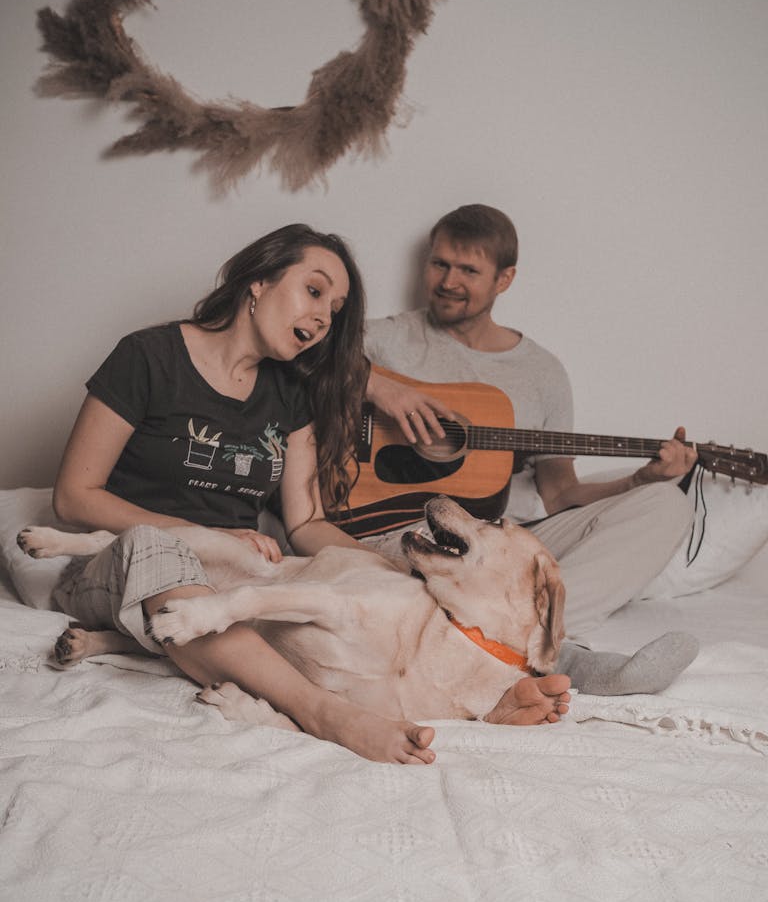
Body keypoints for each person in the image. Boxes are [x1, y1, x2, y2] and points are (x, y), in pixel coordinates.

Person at [49, 223, 573, 766]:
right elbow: (73, 496)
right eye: (314, 291)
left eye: (336, 308)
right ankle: (324, 714)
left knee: (369, 600)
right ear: (257, 282)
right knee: (157, 550)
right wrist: (203, 535)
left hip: (230, 574)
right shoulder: (148, 357)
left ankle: (502, 679)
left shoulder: (289, 392)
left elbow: (305, 526)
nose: (324, 316)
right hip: (120, 560)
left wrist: (395, 567)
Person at [363, 205, 699, 639]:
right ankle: (530, 638)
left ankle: (537, 631)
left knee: (668, 504)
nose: (448, 282)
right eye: (439, 264)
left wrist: (641, 480)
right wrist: (380, 388)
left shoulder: (542, 373)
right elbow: (305, 352)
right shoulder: (388, 337)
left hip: (507, 541)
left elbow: (560, 494)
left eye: (468, 270)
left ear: (505, 279)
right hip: (413, 532)